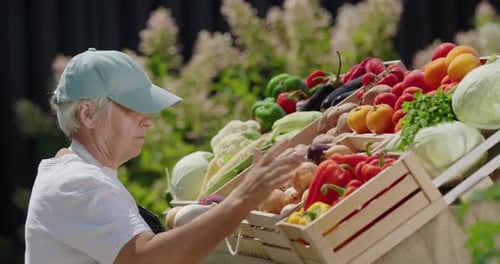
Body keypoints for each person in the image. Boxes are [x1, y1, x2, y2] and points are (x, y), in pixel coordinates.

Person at [24, 48, 304, 264]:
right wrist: (244, 199)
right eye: (133, 107)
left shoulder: (74, 173)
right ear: (87, 115)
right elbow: (145, 259)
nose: (148, 120)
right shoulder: (78, 183)